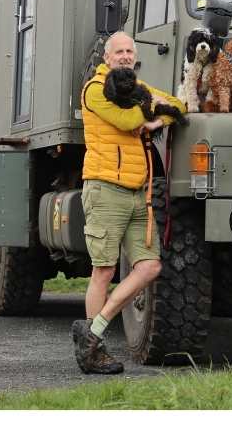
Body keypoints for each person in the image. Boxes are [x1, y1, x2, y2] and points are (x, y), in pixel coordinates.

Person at [71, 32, 184, 374]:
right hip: (105, 188)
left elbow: (180, 106)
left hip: (139, 192)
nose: (124, 56)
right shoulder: (94, 90)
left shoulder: (140, 88)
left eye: (129, 51)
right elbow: (126, 120)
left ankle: (92, 330)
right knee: (104, 270)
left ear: (135, 56)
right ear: (107, 57)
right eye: (118, 51)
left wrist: (156, 119)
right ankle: (94, 352)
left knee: (150, 267)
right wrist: (148, 111)